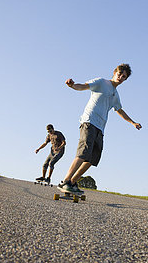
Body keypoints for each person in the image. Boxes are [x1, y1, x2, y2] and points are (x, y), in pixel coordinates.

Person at [59, 63, 142, 194]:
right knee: (84, 151)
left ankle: (73, 182)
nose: (120, 77)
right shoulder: (102, 82)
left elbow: (119, 110)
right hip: (89, 121)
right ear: (114, 72)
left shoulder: (116, 94)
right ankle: (65, 181)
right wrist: (72, 85)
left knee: (93, 158)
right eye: (119, 74)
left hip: (100, 127)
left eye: (124, 76)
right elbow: (84, 86)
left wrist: (132, 123)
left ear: (125, 80)